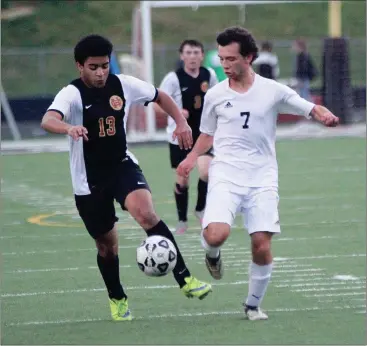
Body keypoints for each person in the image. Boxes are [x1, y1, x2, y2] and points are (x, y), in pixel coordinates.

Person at [40, 34, 212, 322]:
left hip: (122, 165)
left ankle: (185, 280)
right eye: (93, 67)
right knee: (107, 247)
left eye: (105, 66)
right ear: (79, 66)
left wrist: (181, 122)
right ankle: (117, 297)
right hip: (88, 178)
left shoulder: (124, 84)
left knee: (146, 214)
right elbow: (48, 119)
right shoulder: (71, 94)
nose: (100, 72)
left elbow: (161, 96)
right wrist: (68, 128)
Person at [177, 27, 339, 321]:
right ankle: (212, 254)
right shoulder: (215, 95)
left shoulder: (271, 90)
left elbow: (308, 107)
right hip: (225, 173)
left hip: (262, 176)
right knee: (216, 235)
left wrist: (323, 115)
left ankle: (252, 305)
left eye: (231, 59)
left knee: (261, 244)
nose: (224, 65)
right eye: (222, 59)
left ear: (249, 57)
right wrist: (190, 158)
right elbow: (207, 134)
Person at [154, 39, 218, 234]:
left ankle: (201, 209)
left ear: (202, 55)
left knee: (206, 172)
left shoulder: (210, 75)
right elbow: (157, 104)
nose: (192, 56)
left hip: (204, 134)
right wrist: (176, 112)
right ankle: (182, 219)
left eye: (196, 52)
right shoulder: (173, 78)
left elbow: (218, 98)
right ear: (182, 56)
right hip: (180, 136)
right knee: (183, 178)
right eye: (188, 53)